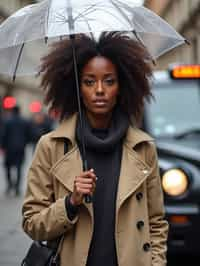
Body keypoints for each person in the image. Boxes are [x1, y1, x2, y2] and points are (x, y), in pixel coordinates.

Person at [22, 32, 168, 266]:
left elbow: (156, 222)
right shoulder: (51, 146)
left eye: (109, 81)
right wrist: (70, 203)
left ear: (122, 86)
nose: (100, 90)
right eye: (89, 81)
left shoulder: (143, 148)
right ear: (78, 88)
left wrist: (156, 263)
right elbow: (32, 223)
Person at [1, 105, 30, 196]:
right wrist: (25, 143)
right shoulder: (24, 121)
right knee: (19, 168)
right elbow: (28, 134)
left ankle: (9, 185)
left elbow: (3, 134)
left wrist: (2, 146)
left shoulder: (7, 121)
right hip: (21, 148)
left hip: (9, 148)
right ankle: (17, 188)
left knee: (8, 167)